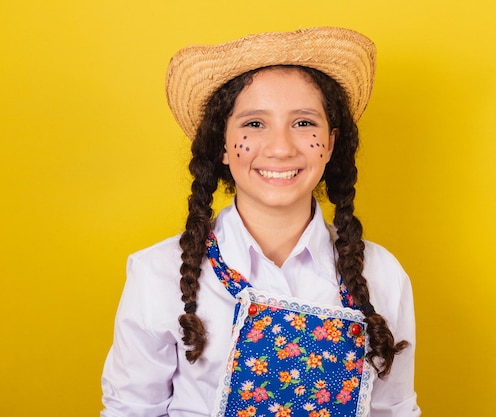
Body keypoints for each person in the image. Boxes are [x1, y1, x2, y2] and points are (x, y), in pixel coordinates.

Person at [101, 27, 421, 417]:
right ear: (221, 144)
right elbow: (131, 410)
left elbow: (394, 410)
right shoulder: (157, 274)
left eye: (304, 123)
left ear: (331, 144)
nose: (281, 147)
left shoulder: (383, 275)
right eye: (254, 124)